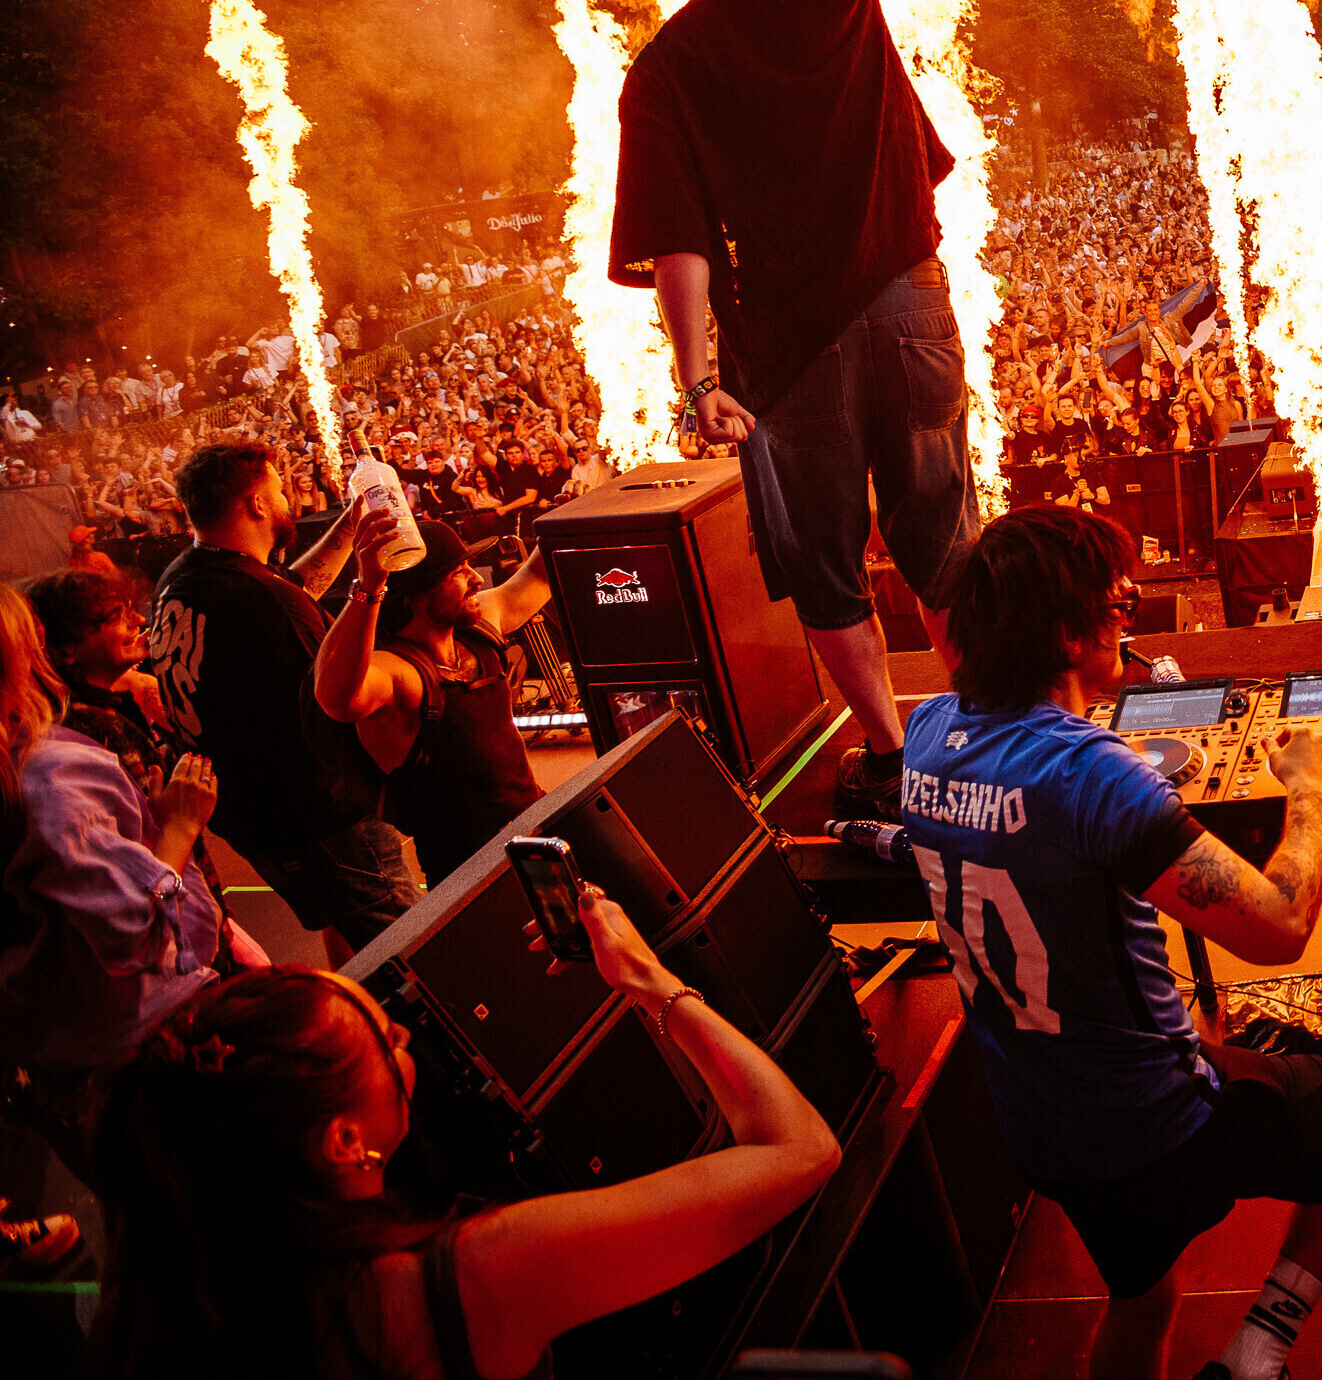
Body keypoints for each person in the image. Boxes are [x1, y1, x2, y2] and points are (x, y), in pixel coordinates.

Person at [904, 507, 1322, 1380]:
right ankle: (1259, 1354)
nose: (1126, 620)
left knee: (1143, 1299)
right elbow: (1280, 927)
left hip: (1035, 1125)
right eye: (1118, 605)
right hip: (1152, 1124)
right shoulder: (1087, 774)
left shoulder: (926, 732)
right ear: (1068, 636)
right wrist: (1310, 784)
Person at [608, 0, 976, 825]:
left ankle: (892, 749)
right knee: (941, 527)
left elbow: (675, 242)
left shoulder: (665, 67)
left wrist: (698, 382)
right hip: (906, 293)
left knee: (823, 563)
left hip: (786, 352)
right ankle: (992, 725)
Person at [84, 893, 838, 1379]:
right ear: (344, 1142)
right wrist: (650, 980)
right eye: (386, 1042)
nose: (405, 1037)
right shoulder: (471, 1280)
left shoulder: (170, 1297)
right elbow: (800, 1149)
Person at [2, 581, 257, 1174]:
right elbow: (135, 934)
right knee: (227, 1192)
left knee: (148, 1211)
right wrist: (178, 825)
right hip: (141, 1045)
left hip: (56, 1052)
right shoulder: (48, 770)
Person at [147, 445, 416, 963]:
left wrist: (350, 526)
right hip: (324, 821)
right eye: (278, 490)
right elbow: (342, 699)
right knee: (413, 949)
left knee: (346, 930)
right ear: (256, 504)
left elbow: (293, 586)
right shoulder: (265, 602)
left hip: (255, 821)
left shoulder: (187, 576)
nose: (287, 498)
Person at [311, 516, 554, 887]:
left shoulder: (476, 628)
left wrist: (572, 516)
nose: (476, 579)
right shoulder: (396, 671)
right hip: (472, 875)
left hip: (538, 829)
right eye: (457, 572)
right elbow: (337, 700)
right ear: (417, 597)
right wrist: (369, 585)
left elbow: (537, 575)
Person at [27, 568, 187, 773]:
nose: (139, 620)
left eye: (130, 609)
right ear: (67, 646)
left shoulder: (103, 707)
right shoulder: (89, 726)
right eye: (117, 616)